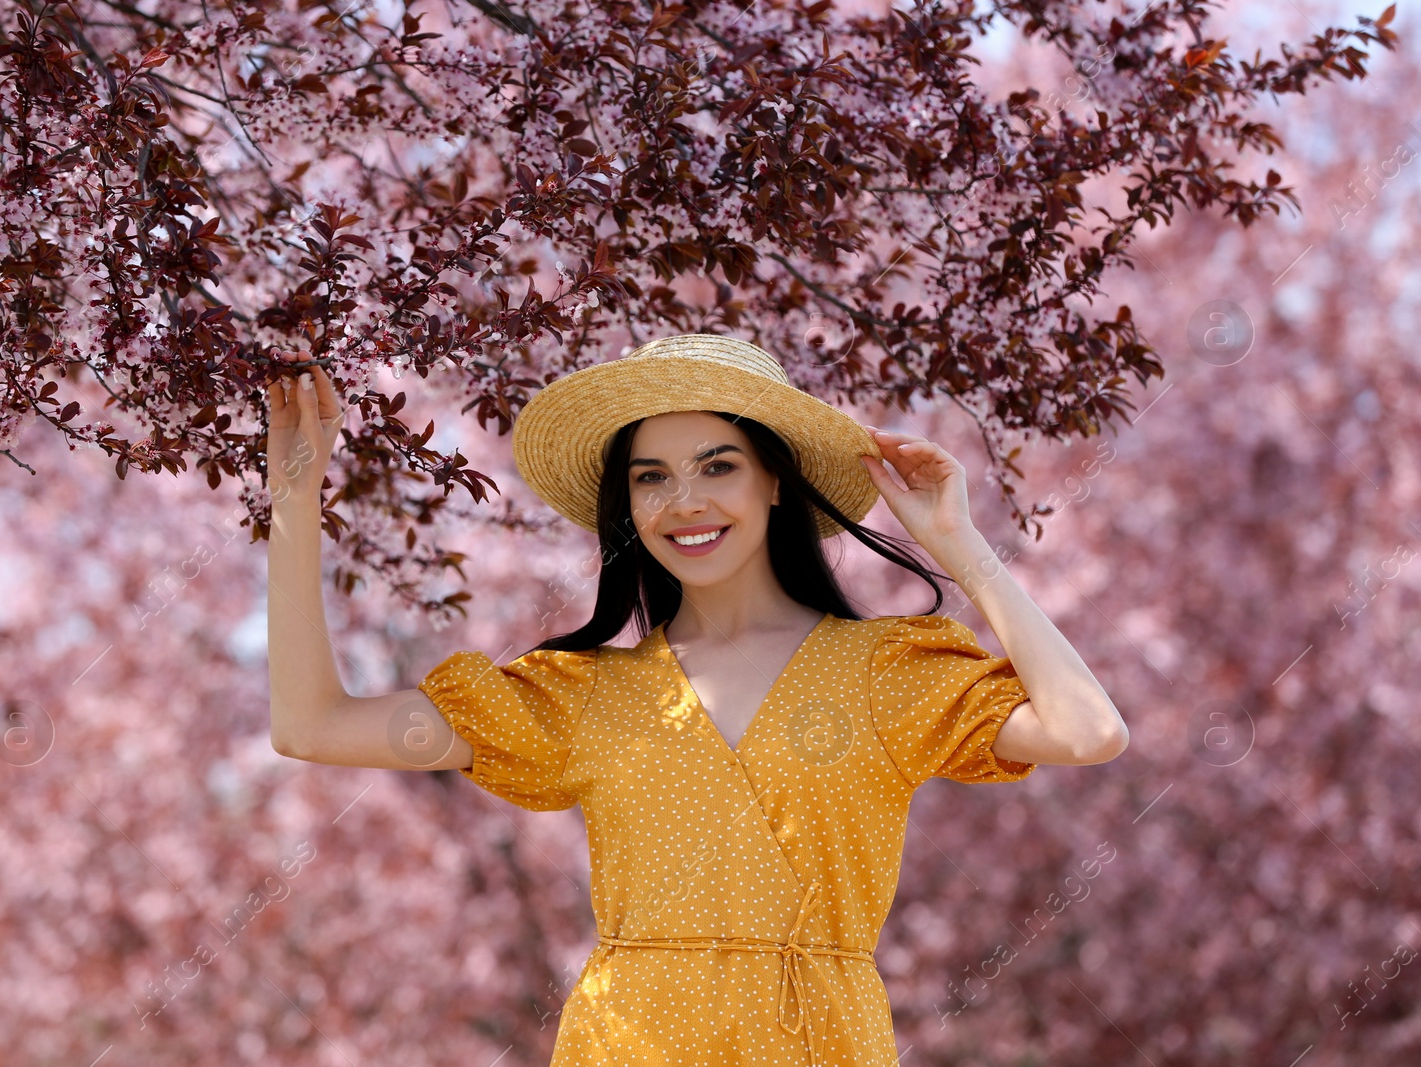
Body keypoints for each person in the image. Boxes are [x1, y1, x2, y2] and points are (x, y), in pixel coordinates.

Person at [265, 332, 1128, 1066]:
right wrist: (296, 496)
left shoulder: (887, 670)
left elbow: (1087, 729)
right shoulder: (583, 695)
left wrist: (960, 544)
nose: (685, 501)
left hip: (819, 1039)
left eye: (717, 465)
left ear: (776, 480)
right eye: (651, 478)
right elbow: (311, 725)